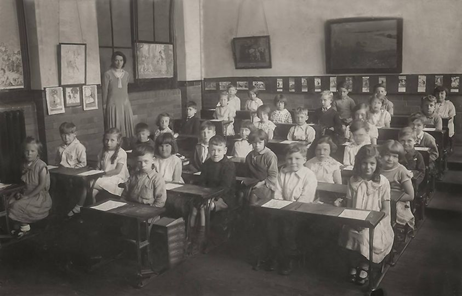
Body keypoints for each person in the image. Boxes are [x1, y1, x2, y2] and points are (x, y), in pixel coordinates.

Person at [339, 145, 394, 286]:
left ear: (377, 164)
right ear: (358, 164)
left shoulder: (383, 182)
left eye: (372, 163)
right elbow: (350, 205)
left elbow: (385, 209)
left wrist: (372, 221)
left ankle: (364, 265)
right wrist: (353, 220)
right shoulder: (353, 180)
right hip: (356, 219)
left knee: (365, 236)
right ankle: (354, 263)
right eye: (364, 163)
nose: (368, 167)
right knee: (350, 233)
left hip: (376, 221)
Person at [264, 143, 317, 275]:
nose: (293, 162)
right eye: (289, 159)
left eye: (297, 159)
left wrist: (289, 210)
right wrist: (281, 207)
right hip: (282, 208)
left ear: (304, 159)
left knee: (289, 227)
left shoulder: (309, 176)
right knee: (271, 223)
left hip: (302, 210)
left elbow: (305, 198)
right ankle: (274, 255)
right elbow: (278, 192)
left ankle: (287, 258)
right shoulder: (282, 172)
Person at [189, 135, 236, 252]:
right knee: (193, 207)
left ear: (225, 151)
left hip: (224, 197)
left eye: (219, 150)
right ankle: (191, 237)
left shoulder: (228, 165)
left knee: (204, 208)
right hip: (206, 194)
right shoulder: (207, 164)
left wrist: (211, 198)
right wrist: (203, 195)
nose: (215, 153)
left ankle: (203, 239)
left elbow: (226, 187)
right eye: (213, 150)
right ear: (208, 150)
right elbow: (202, 182)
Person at [9, 137, 52, 238]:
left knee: (17, 205)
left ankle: (24, 227)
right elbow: (25, 183)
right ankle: (20, 224)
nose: (29, 153)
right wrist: (21, 192)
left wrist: (28, 196)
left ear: (38, 152)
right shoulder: (24, 165)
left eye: (32, 151)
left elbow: (41, 185)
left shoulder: (41, 166)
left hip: (39, 197)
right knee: (10, 201)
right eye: (26, 151)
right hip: (27, 193)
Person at [379, 140, 415, 241]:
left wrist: (389, 197)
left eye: (395, 156)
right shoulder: (378, 167)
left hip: (397, 201)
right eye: (387, 155)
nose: (390, 159)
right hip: (379, 197)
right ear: (381, 155)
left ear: (399, 158)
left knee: (391, 213)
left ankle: (392, 238)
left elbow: (410, 195)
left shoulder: (401, 170)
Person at [55, 122, 88, 217]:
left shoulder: (79, 147)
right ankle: (58, 208)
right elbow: (57, 161)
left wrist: (72, 170)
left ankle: (74, 208)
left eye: (69, 135)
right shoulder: (60, 148)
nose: (66, 138)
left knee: (74, 188)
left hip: (74, 174)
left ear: (75, 134)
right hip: (61, 173)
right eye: (63, 135)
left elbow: (83, 163)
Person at [102, 51, 134, 138]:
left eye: (121, 60)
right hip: (113, 104)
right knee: (114, 127)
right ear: (113, 61)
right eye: (116, 60)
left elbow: (125, 90)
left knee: (126, 129)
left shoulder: (126, 74)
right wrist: (104, 105)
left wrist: (126, 102)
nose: (119, 63)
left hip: (125, 104)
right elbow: (105, 91)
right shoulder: (107, 74)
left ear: (124, 61)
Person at [92, 128, 130, 202]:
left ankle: (79, 206)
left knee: (90, 184)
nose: (108, 143)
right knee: (92, 191)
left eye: (112, 140)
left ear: (118, 141)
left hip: (116, 179)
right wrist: (95, 173)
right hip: (104, 177)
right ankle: (92, 207)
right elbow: (98, 167)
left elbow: (117, 171)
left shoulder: (121, 153)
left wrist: (103, 173)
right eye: (106, 140)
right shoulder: (102, 152)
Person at [245, 130, 278, 203]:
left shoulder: (270, 156)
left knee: (254, 196)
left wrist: (262, 183)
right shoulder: (250, 155)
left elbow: (273, 176)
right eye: (254, 143)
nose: (257, 145)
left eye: (260, 143)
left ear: (265, 142)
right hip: (254, 182)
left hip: (267, 184)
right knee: (241, 194)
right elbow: (248, 173)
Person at [398, 127, 426, 194]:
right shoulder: (396, 154)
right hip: (397, 182)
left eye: (409, 141)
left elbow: (422, 172)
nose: (406, 144)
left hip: (412, 183)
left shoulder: (418, 156)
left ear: (415, 141)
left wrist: (413, 175)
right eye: (402, 141)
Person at [434, 86, 456, 152]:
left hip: (446, 124)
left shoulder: (449, 104)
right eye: (437, 94)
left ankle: (446, 148)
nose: (439, 96)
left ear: (445, 95)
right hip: (435, 124)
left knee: (447, 129)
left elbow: (451, 117)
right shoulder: (433, 104)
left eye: (442, 93)